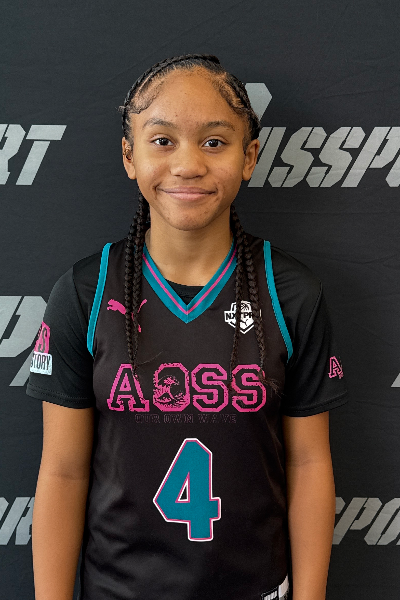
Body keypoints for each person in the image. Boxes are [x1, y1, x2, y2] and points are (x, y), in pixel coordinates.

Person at [26, 53, 348, 600]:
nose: (189, 164)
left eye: (214, 142)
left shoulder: (290, 292)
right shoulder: (86, 291)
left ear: (249, 157)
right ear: (129, 156)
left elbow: (309, 461)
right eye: (162, 140)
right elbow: (63, 471)